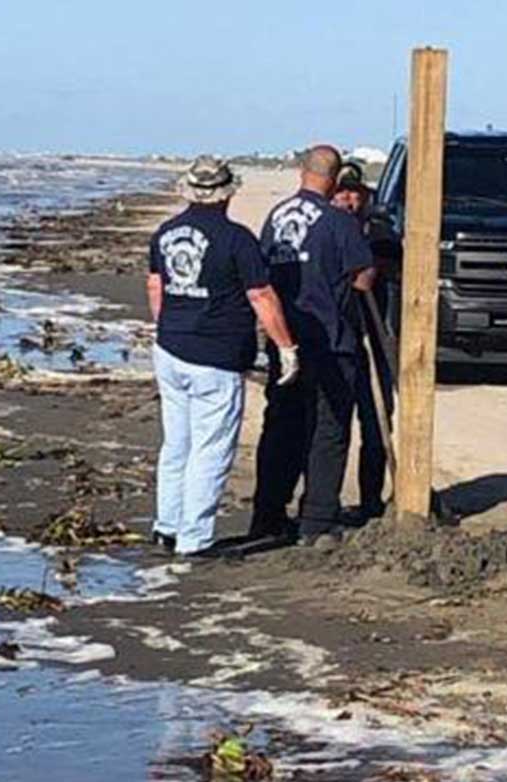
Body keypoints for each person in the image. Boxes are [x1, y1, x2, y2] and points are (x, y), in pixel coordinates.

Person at [147, 155, 298, 558]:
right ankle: (193, 538)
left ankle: (167, 524)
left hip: (171, 347)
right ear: (227, 193)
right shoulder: (237, 239)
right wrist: (286, 347)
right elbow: (261, 296)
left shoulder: (165, 232)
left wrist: (172, 326)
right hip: (216, 355)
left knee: (177, 442)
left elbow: (156, 288)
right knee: (210, 448)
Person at [250, 145, 375, 546]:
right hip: (328, 337)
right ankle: (317, 519)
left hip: (284, 335)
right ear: (335, 180)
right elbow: (363, 277)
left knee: (282, 423)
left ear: (302, 172)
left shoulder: (276, 216)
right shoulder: (338, 222)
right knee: (329, 427)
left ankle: (268, 512)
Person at [332, 164, 390, 525]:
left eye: (356, 193)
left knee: (377, 421)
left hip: (375, 335)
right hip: (337, 337)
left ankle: (371, 500)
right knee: (333, 424)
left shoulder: (378, 232)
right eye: (343, 192)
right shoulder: (325, 230)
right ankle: (325, 500)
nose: (350, 199)